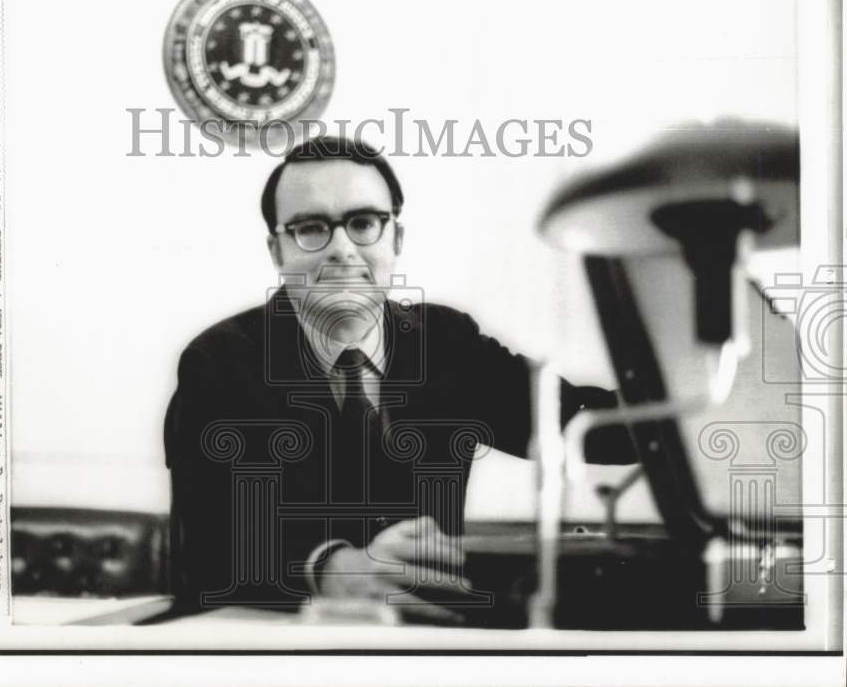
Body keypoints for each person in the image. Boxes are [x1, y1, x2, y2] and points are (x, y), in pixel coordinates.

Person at [163, 137, 634, 623]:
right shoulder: (219, 361)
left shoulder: (448, 344)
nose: (342, 250)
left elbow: (587, 425)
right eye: (310, 229)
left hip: (423, 638)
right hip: (284, 642)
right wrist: (330, 567)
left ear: (397, 239)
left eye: (364, 224)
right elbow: (205, 545)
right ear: (277, 250)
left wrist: (694, 398)